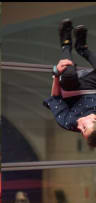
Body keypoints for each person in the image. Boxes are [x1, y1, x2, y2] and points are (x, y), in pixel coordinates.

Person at [44, 18, 96, 147]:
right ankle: (83, 49)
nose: (79, 127)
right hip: (92, 86)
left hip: (71, 88)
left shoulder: (68, 122)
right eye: (84, 127)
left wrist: (56, 74)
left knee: (68, 72)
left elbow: (55, 98)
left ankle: (66, 44)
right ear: (95, 119)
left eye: (82, 131)